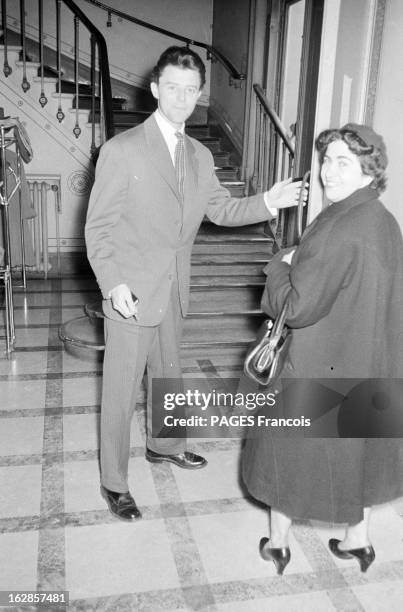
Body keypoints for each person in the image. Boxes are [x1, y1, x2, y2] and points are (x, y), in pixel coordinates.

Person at [85, 46, 304, 521]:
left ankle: (165, 446)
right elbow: (98, 230)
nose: (181, 98)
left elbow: (222, 211)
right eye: (172, 88)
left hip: (175, 289)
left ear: (199, 93)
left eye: (190, 90)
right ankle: (114, 482)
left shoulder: (202, 156)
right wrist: (114, 283)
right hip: (130, 295)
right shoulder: (121, 151)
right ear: (154, 87)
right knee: (120, 392)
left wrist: (268, 201)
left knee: (167, 374)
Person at [242, 124, 403, 574]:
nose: (329, 172)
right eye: (327, 160)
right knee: (359, 453)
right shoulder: (383, 221)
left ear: (370, 171)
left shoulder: (339, 226)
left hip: (317, 364)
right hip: (366, 362)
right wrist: (305, 261)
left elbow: (296, 307)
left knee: (285, 450)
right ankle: (358, 540)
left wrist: (278, 266)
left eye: (343, 162)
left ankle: (277, 545)